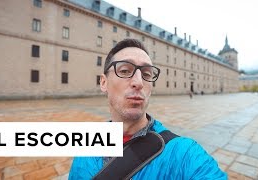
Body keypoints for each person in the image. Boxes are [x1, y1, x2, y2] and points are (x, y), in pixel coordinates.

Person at [69, 39, 227, 179]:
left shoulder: (183, 153)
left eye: (146, 74)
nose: (138, 82)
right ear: (103, 83)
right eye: (124, 71)